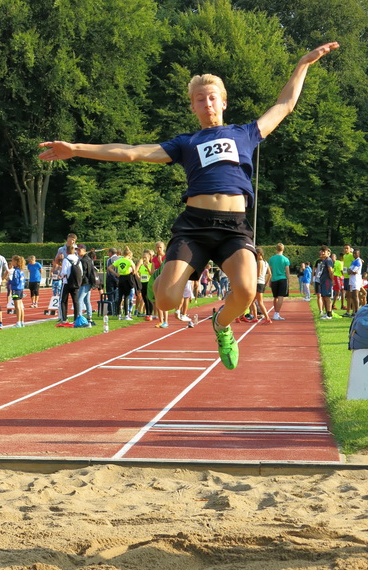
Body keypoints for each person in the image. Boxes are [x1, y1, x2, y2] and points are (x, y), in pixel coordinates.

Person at [39, 41, 339, 369]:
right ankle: (167, 274)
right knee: (165, 299)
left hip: (234, 227)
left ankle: (221, 324)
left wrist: (303, 65)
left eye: (212, 97)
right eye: (199, 99)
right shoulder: (185, 143)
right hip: (195, 226)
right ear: (193, 107)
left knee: (246, 292)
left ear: (223, 102)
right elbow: (131, 152)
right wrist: (77, 148)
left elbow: (284, 104)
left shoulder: (246, 133)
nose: (207, 103)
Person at [59, 243, 83, 324]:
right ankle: (76, 318)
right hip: (76, 283)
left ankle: (64, 318)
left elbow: (64, 272)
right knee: (75, 301)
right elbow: (81, 272)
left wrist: (61, 276)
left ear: (67, 252)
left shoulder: (66, 260)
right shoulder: (78, 260)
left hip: (66, 282)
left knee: (63, 301)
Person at [269, 243, 290, 321]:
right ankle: (276, 313)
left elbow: (270, 271)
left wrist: (270, 280)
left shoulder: (271, 259)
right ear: (283, 249)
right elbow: (287, 272)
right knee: (281, 296)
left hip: (274, 279)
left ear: (276, 249)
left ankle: (276, 313)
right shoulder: (285, 259)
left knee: (275, 297)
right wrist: (289, 280)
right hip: (282, 279)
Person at [113, 247, 135, 320]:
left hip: (120, 278)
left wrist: (116, 274)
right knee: (126, 297)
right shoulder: (129, 261)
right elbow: (134, 271)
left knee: (120, 297)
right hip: (127, 278)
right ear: (129, 254)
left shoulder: (119, 260)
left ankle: (119, 314)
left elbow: (109, 268)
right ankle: (126, 315)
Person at [77, 244, 96, 326]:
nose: (77, 251)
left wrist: (79, 281)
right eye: (77, 250)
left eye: (79, 250)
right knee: (86, 301)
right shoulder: (88, 259)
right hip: (88, 282)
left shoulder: (83, 260)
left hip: (85, 283)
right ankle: (89, 317)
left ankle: (80, 317)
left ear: (84, 250)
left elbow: (83, 273)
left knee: (79, 300)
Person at [135, 250, 154, 321]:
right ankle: (147, 314)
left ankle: (150, 314)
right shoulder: (141, 265)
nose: (144, 259)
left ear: (149, 258)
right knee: (144, 298)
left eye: (145, 257)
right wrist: (139, 277)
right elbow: (136, 272)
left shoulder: (151, 265)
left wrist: (147, 267)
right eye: (143, 258)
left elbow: (151, 273)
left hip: (149, 282)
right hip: (142, 283)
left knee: (149, 298)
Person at [255, 247, 272, 323]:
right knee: (251, 301)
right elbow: (270, 274)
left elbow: (258, 274)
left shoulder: (260, 262)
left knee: (260, 302)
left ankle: (267, 317)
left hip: (257, 283)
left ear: (259, 254)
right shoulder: (266, 262)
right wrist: (266, 282)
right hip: (261, 283)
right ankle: (255, 317)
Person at [319, 246, 334, 320]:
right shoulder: (324, 261)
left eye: (323, 251)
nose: (322, 253)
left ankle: (329, 314)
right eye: (321, 251)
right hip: (323, 281)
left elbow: (330, 271)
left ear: (328, 252)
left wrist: (332, 280)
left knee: (327, 297)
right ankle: (326, 313)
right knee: (324, 297)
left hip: (327, 281)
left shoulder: (328, 260)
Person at [11, 255, 26, 327]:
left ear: (16, 262)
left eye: (12, 261)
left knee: (17, 307)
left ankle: (18, 322)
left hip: (16, 289)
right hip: (20, 289)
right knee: (21, 306)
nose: (11, 262)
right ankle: (22, 322)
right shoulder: (21, 270)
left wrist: (9, 281)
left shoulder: (16, 271)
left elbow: (16, 281)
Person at [348, 248, 363, 317]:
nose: (354, 254)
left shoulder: (358, 261)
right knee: (352, 296)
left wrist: (351, 271)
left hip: (356, 280)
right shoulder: (353, 261)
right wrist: (351, 271)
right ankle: (355, 311)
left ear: (358, 254)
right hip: (352, 280)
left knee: (355, 295)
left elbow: (353, 271)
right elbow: (349, 271)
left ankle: (357, 312)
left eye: (356, 253)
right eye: (353, 253)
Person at [342, 243, 354, 317]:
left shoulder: (351, 255)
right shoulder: (344, 256)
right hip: (346, 277)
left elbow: (358, 260)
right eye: (345, 248)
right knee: (348, 295)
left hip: (351, 277)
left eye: (347, 248)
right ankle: (348, 311)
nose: (346, 249)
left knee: (352, 295)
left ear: (350, 249)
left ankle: (354, 311)